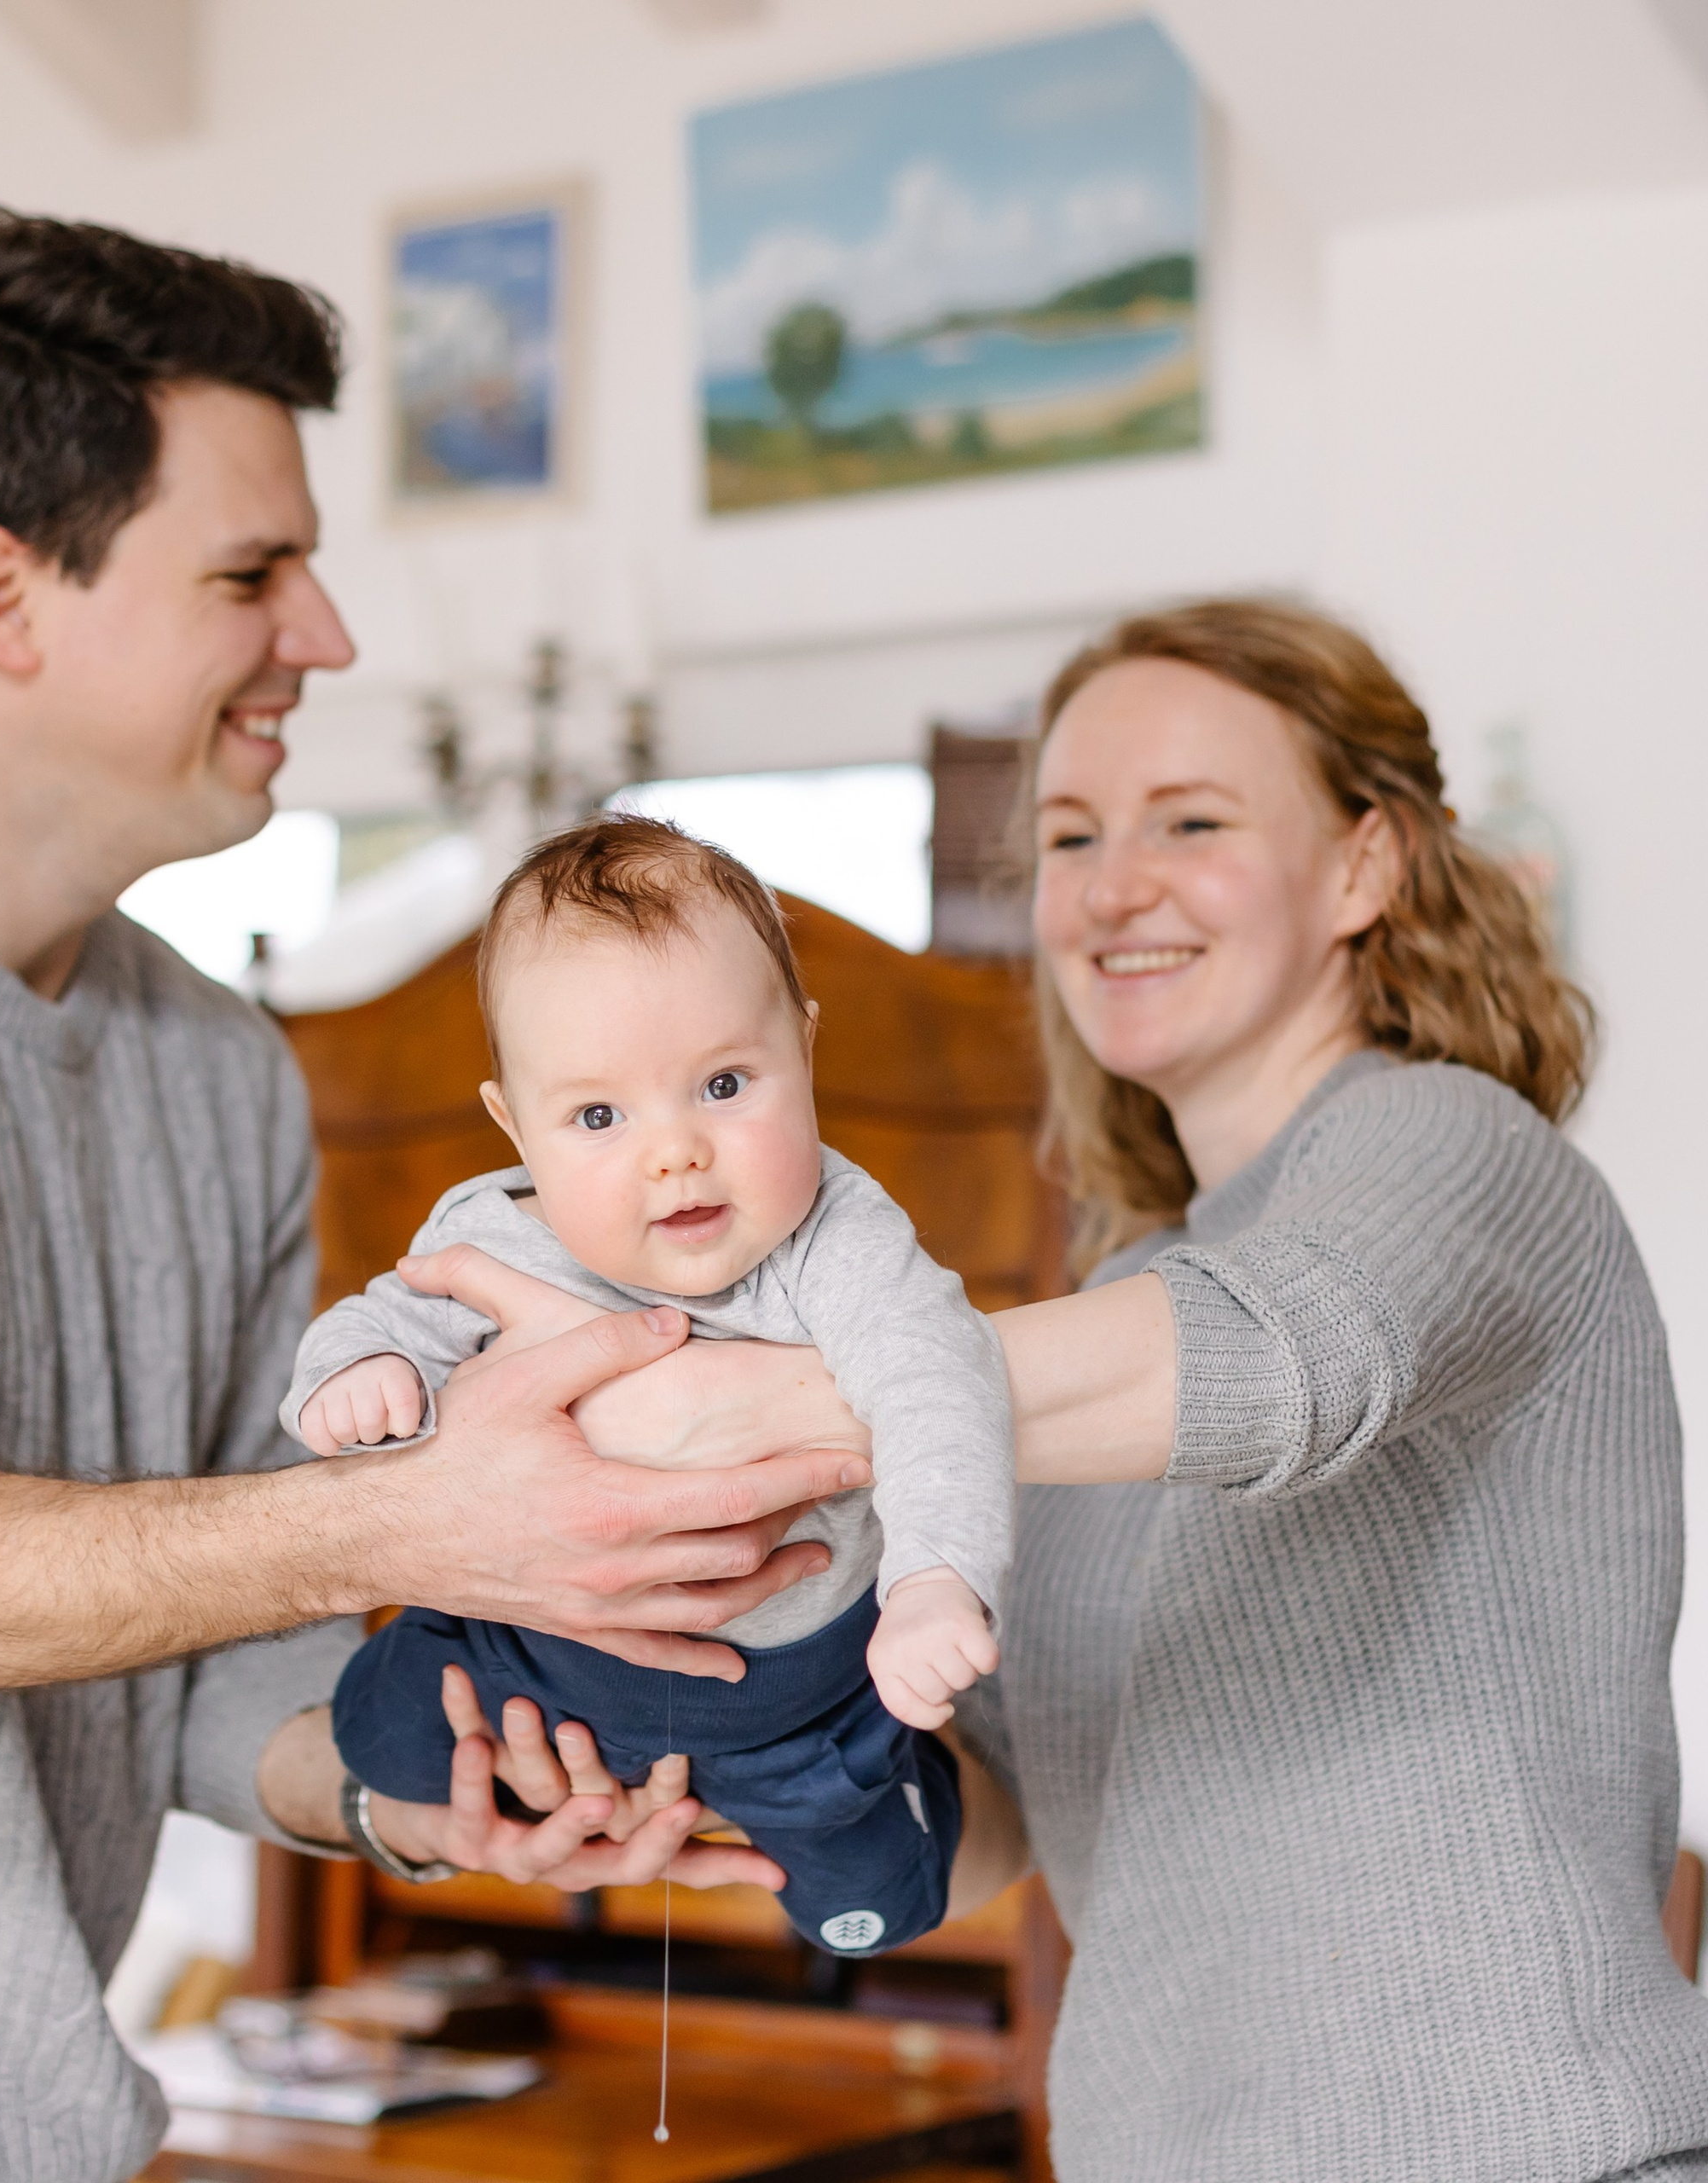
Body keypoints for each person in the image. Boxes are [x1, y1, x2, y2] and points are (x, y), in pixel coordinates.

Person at [0, 209, 867, 2183]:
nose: (321, 635)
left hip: (44, 2131)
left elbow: (200, 1648)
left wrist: (428, 1796)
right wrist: (410, 1515)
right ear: (4, 597)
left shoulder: (218, 1063)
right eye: (253, 570)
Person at [402, 599, 1708, 2182]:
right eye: (1074, 836)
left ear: (1364, 866)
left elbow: (1289, 1356)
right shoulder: (1116, 1292)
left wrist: (772, 1403)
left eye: (1193, 821)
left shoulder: (1457, 1149)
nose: (1112, 887)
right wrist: (716, 1775)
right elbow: (1012, 1810)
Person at [292, 814, 1013, 1955]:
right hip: (538, 1655)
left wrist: (937, 1579)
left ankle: (885, 1793)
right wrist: (360, 1373)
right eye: (596, 1116)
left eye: (723, 1083)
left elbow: (940, 1389)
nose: (673, 1150)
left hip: (798, 1693)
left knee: (871, 1905)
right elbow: (383, 1317)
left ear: (805, 1051)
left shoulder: (840, 1236)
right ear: (514, 1127)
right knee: (377, 1733)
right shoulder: (493, 1236)